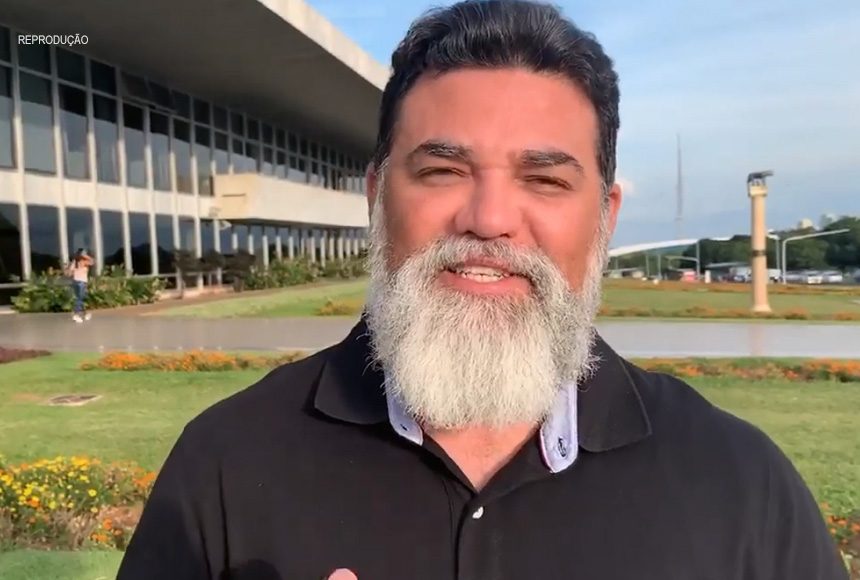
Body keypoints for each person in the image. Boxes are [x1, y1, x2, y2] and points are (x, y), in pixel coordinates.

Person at [118, 2, 848, 579]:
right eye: (442, 171)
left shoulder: (739, 483)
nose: (490, 218)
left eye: (545, 180)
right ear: (377, 198)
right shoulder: (227, 462)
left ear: (604, 218)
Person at [66, 248, 93, 323]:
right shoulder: (84, 261)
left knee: (79, 298)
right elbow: (92, 262)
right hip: (82, 282)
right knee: (80, 298)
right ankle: (76, 314)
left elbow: (69, 273)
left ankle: (84, 314)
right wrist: (86, 256)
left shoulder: (74, 262)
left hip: (75, 281)